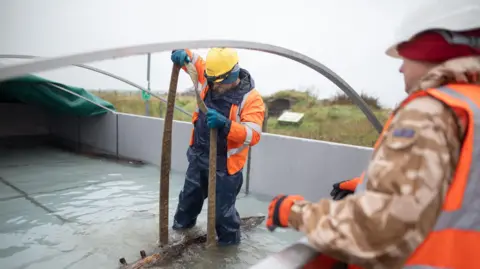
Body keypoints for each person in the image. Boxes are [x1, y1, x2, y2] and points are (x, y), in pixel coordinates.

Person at [266, 0, 480, 268]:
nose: (400, 68)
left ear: (430, 48)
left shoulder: (431, 110)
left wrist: (294, 212)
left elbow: (381, 229)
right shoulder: (471, 106)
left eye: (404, 56)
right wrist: (366, 183)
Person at [170, 47, 265, 246]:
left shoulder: (252, 99)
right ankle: (177, 244)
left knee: (223, 217)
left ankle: (226, 255)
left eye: (218, 83)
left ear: (232, 75)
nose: (213, 86)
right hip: (198, 158)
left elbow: (253, 134)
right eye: (210, 80)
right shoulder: (210, 76)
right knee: (186, 205)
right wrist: (182, 53)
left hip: (226, 168)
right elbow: (193, 60)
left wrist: (226, 125)